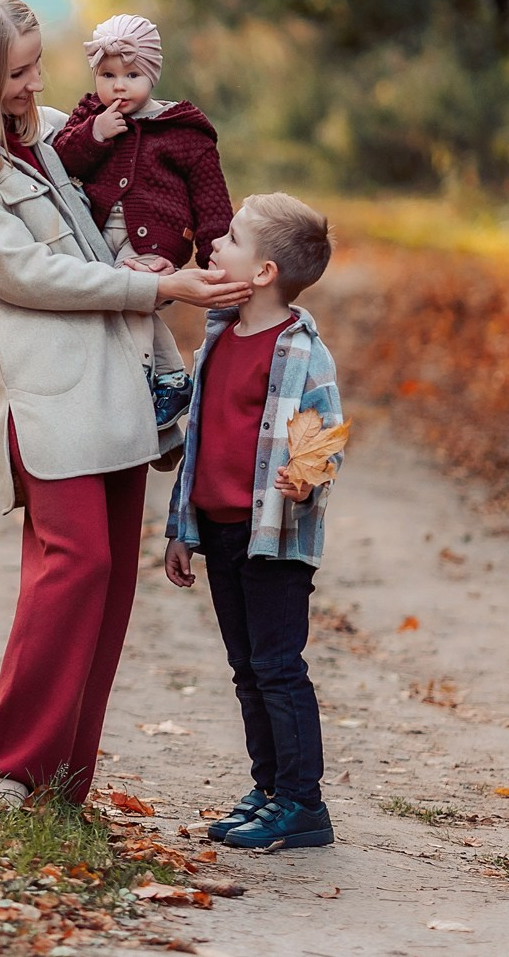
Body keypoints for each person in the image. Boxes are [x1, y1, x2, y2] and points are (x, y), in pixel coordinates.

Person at [0, 0, 250, 807]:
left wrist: (172, 246)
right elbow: (27, 274)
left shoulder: (52, 136)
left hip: (116, 375)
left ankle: (64, 779)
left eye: (36, 67)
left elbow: (137, 188)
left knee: (112, 576)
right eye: (16, 74)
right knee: (74, 562)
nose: (35, 85)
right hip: (46, 392)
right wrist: (156, 288)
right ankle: (5, 768)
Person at [162, 193, 347, 850]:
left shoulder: (299, 349)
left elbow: (324, 434)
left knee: (276, 665)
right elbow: (201, 436)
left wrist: (305, 474)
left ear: (264, 271)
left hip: (272, 535)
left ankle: (302, 801)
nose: (216, 241)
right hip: (217, 528)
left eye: (232, 237)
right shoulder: (219, 334)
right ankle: (269, 787)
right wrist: (181, 530)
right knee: (245, 666)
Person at [49, 13, 232, 441]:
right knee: (114, 298)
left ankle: (136, 384)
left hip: (156, 241)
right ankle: (172, 380)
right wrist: (95, 134)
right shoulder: (90, 116)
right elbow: (61, 162)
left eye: (132, 75)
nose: (119, 86)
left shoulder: (183, 132)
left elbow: (211, 203)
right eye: (108, 75)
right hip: (96, 237)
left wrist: (215, 263)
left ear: (153, 74)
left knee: (132, 295)